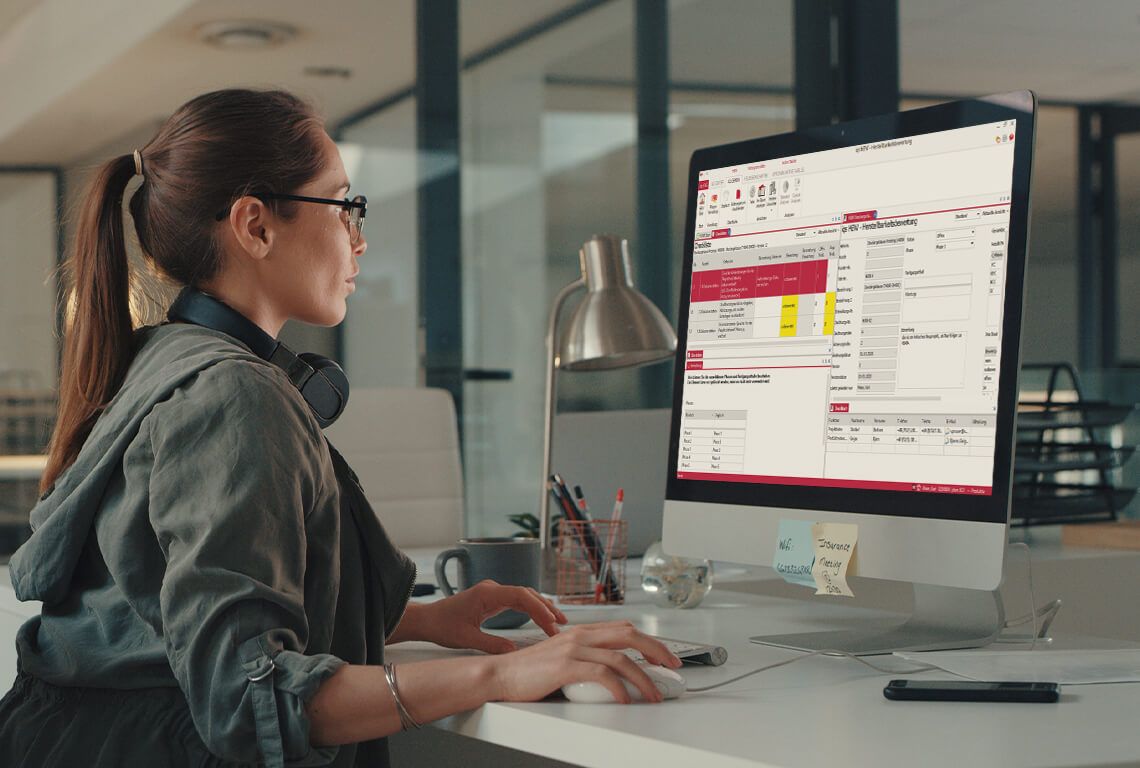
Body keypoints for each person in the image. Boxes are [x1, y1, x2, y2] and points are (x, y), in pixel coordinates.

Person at [0, 89, 680, 768]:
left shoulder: (166, 359)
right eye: (344, 205)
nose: (360, 238)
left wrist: (425, 620)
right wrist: (501, 675)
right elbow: (246, 695)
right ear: (255, 226)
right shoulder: (231, 395)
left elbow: (164, 612)